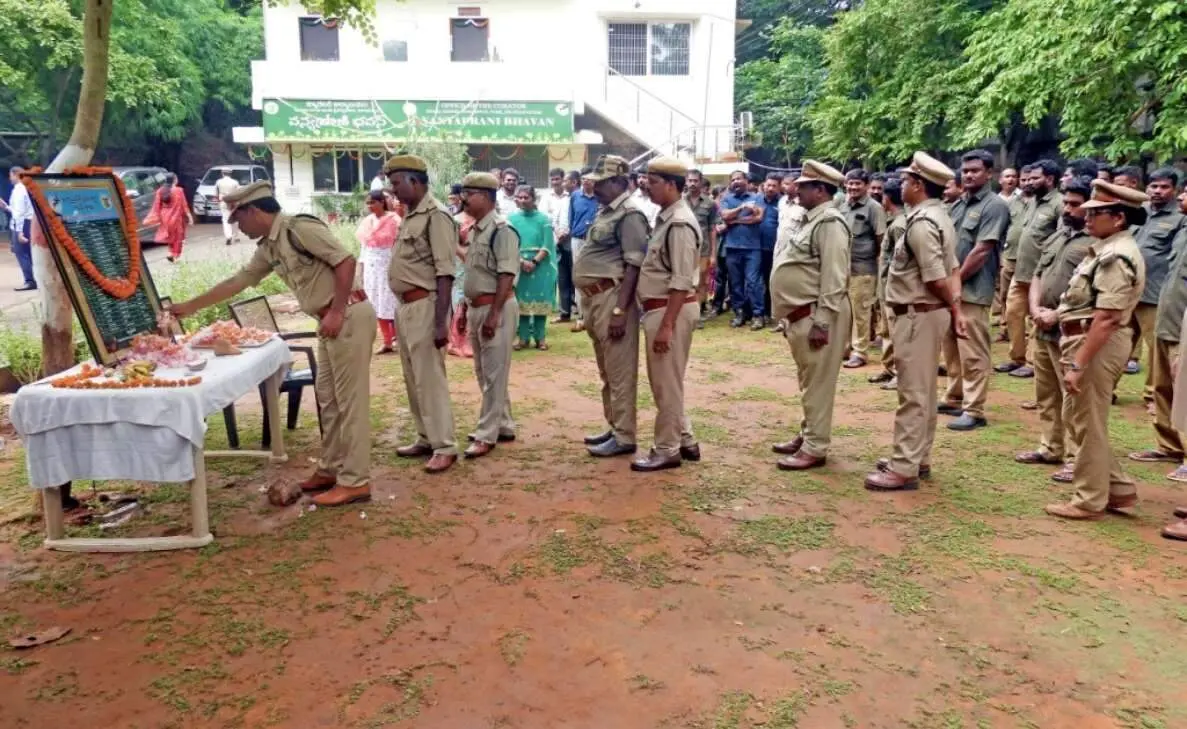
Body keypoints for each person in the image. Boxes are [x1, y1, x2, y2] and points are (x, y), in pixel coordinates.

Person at [163, 182, 375, 506]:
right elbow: (239, 281)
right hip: (329, 322)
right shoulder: (270, 247)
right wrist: (190, 306)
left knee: (350, 402)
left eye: (240, 219)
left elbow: (345, 261)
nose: (239, 228)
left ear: (254, 210)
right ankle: (331, 469)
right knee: (328, 400)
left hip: (347, 316)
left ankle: (356, 481)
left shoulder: (298, 228)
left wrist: (335, 311)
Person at [1045, 180, 1147, 520]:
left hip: (1096, 342)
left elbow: (1106, 317)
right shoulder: (1106, 249)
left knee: (1087, 420)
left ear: (1118, 218)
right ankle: (1116, 488)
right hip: (1086, 339)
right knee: (1081, 419)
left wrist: (1077, 364)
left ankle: (1088, 500)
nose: (1086, 218)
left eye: (1096, 213)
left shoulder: (1117, 256)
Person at [865, 152, 965, 492]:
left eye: (907, 180)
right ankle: (917, 457)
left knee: (913, 392)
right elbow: (952, 269)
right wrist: (955, 308)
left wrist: (954, 307)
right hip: (925, 312)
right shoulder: (939, 215)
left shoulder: (921, 223)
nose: (901, 185)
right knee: (924, 389)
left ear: (919, 185)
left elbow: (937, 275)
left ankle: (904, 466)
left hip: (918, 312)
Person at [769, 160, 852, 471]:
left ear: (820, 190)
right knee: (809, 379)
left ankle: (816, 447)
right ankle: (808, 435)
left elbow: (834, 277)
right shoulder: (811, 219)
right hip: (802, 314)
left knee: (818, 383)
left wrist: (822, 322)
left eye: (803, 186)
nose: (796, 189)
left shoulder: (829, 222)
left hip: (817, 315)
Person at [1015, 176, 1094, 478]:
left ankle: (1077, 457)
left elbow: (1092, 296)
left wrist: (1057, 314)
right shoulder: (1057, 237)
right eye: (1067, 202)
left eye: (1075, 204)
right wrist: (1035, 309)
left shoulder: (1095, 245)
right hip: (1042, 324)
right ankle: (1050, 446)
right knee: (1046, 392)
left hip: (1072, 329)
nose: (1068, 209)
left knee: (1073, 397)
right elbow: (1038, 274)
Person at [385, 155, 460, 474]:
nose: (393, 189)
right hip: (406, 308)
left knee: (429, 378)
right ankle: (426, 437)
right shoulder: (410, 215)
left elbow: (445, 272)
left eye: (397, 182)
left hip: (427, 305)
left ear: (415, 181)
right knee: (413, 376)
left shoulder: (437, 216)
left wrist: (442, 320)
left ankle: (445, 445)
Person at [575, 155, 649, 458]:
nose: (596, 186)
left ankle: (625, 435)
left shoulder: (630, 214)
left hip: (612, 298)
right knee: (607, 369)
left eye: (603, 182)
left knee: (619, 371)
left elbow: (634, 265)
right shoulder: (606, 211)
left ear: (620, 181)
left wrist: (620, 310)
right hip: (595, 299)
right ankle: (615, 425)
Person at [632, 157, 702, 471]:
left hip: (669, 310)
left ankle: (667, 448)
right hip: (661, 309)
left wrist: (667, 326)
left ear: (672, 185)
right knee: (667, 380)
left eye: (653, 180)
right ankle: (685, 439)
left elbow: (682, 279)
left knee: (666, 384)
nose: (646, 186)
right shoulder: (667, 217)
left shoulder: (680, 222)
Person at [938, 150, 1011, 431]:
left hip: (973, 289)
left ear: (989, 173)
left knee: (973, 351)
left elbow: (982, 250)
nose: (968, 175)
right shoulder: (958, 204)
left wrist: (953, 282)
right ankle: (954, 396)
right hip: (951, 288)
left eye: (975, 170)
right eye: (965, 170)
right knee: (951, 346)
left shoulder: (994, 206)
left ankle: (975, 409)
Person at [457, 173, 520, 459]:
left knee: (494, 373)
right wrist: (465, 308)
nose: (464, 197)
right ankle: (503, 423)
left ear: (487, 196)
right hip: (476, 307)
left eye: (470, 193)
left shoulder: (501, 230)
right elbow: (473, 272)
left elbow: (507, 274)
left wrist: (494, 314)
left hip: (497, 307)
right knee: (484, 371)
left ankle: (486, 433)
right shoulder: (476, 230)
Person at [1129, 177, 1187, 473]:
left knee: (1183, 387)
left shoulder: (1177, 223)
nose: (1182, 197)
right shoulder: (1181, 231)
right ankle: (1169, 445)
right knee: (1163, 383)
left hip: (1179, 322)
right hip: (1166, 311)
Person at [998, 159, 1063, 378]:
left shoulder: (1058, 204)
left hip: (1042, 273)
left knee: (1036, 317)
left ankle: (1032, 362)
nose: (1030, 182)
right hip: (1021, 270)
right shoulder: (1031, 202)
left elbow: (1062, 239)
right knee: (1013, 313)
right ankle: (1016, 357)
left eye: (1036, 178)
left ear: (1050, 179)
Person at [1126, 169, 1187, 386]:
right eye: (1154, 186)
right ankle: (1107, 390)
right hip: (1127, 288)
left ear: (1175, 190)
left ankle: (1152, 394)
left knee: (1154, 348)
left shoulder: (1180, 217)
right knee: (1118, 342)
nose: (1158, 191)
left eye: (1164, 187)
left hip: (1155, 292)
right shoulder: (1139, 211)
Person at [839, 168, 887, 368]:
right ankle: (844, 348)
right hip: (842, 267)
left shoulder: (874, 208)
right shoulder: (841, 205)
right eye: (850, 183)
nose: (853, 187)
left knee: (861, 311)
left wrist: (876, 263)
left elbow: (881, 240)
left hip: (864, 268)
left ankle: (860, 352)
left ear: (866, 186)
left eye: (857, 183)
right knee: (844, 311)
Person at [869, 177, 907, 389]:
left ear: (887, 197)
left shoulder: (900, 224)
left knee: (897, 332)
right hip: (885, 285)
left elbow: (901, 260)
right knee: (887, 330)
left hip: (894, 287)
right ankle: (888, 367)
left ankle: (900, 374)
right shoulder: (893, 220)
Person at [509, 184, 556, 350]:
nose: (522, 200)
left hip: (540, 265)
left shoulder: (544, 219)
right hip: (519, 263)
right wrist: (522, 261)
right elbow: (510, 244)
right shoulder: (512, 219)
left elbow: (548, 244)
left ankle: (540, 338)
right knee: (521, 302)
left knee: (540, 301)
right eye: (519, 197)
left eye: (526, 197)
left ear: (533, 199)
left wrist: (534, 262)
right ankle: (522, 338)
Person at [720, 170, 767, 329]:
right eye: (732, 180)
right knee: (735, 283)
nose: (735, 182)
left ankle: (758, 315)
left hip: (753, 248)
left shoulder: (757, 197)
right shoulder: (726, 199)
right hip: (732, 247)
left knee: (753, 282)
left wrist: (735, 220)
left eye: (739, 179)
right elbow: (725, 216)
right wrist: (742, 208)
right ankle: (739, 313)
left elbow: (759, 217)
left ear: (746, 181)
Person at [356, 190, 401, 354]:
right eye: (367, 203)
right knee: (376, 303)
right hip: (371, 268)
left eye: (372, 202)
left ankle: (398, 338)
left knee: (391, 302)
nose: (370, 206)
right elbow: (364, 248)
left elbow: (399, 245)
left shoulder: (394, 220)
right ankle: (387, 341)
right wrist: (361, 269)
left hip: (388, 265)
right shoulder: (367, 222)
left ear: (382, 202)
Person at [996, 165, 1033, 335]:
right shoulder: (1010, 203)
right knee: (1004, 294)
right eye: (1024, 180)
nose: (1026, 183)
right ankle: (1005, 329)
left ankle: (1029, 330)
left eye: (1028, 180)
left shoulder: (1038, 202)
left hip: (1031, 258)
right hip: (1009, 255)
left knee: (1029, 295)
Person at [561, 171, 598, 331]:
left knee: (595, 277)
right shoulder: (575, 196)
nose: (586, 182)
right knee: (579, 276)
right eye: (583, 179)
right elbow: (571, 217)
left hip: (595, 241)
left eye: (589, 179)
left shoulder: (600, 196)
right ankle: (582, 316)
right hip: (577, 239)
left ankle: (594, 314)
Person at [685, 168, 719, 328]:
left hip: (703, 250)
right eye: (690, 180)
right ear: (686, 182)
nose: (692, 183)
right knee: (684, 282)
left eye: (695, 181)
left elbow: (713, 229)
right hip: (683, 248)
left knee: (701, 283)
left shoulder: (710, 203)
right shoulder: (679, 201)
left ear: (700, 182)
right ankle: (684, 314)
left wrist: (713, 254)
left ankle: (696, 315)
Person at [144, 173, 194, 263]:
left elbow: (156, 205)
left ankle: (170, 253)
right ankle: (175, 256)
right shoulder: (179, 190)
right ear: (175, 180)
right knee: (178, 237)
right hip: (176, 217)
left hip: (165, 217)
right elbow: (184, 205)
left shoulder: (160, 191)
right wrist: (189, 216)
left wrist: (155, 217)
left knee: (170, 236)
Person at [2, 167, 36, 291]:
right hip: (27, 222)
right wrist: (6, 207)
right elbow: (17, 210)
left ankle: (30, 280)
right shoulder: (25, 188)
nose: (10, 179)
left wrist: (20, 232)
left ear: (16, 174)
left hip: (22, 224)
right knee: (29, 252)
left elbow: (19, 213)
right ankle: (35, 278)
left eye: (11, 176)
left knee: (21, 252)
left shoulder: (19, 190)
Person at [448, 203, 475, 359]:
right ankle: (457, 343)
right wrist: (463, 254)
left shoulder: (482, 219)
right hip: (460, 263)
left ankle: (469, 341)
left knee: (474, 301)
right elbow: (452, 243)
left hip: (479, 263)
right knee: (460, 301)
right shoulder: (456, 220)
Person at [758, 173, 782, 327]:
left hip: (773, 250)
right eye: (768, 185)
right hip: (754, 248)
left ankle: (768, 312)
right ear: (764, 185)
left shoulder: (783, 203)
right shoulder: (755, 200)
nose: (770, 188)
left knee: (770, 282)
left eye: (774, 185)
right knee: (754, 282)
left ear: (779, 187)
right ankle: (754, 313)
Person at [214, 168, 241, 246]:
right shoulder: (235, 182)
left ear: (222, 173)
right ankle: (236, 236)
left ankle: (228, 236)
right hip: (233, 202)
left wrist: (217, 201)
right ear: (230, 174)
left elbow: (215, 193)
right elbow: (239, 192)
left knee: (225, 220)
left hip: (223, 201)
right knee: (235, 219)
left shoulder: (218, 182)